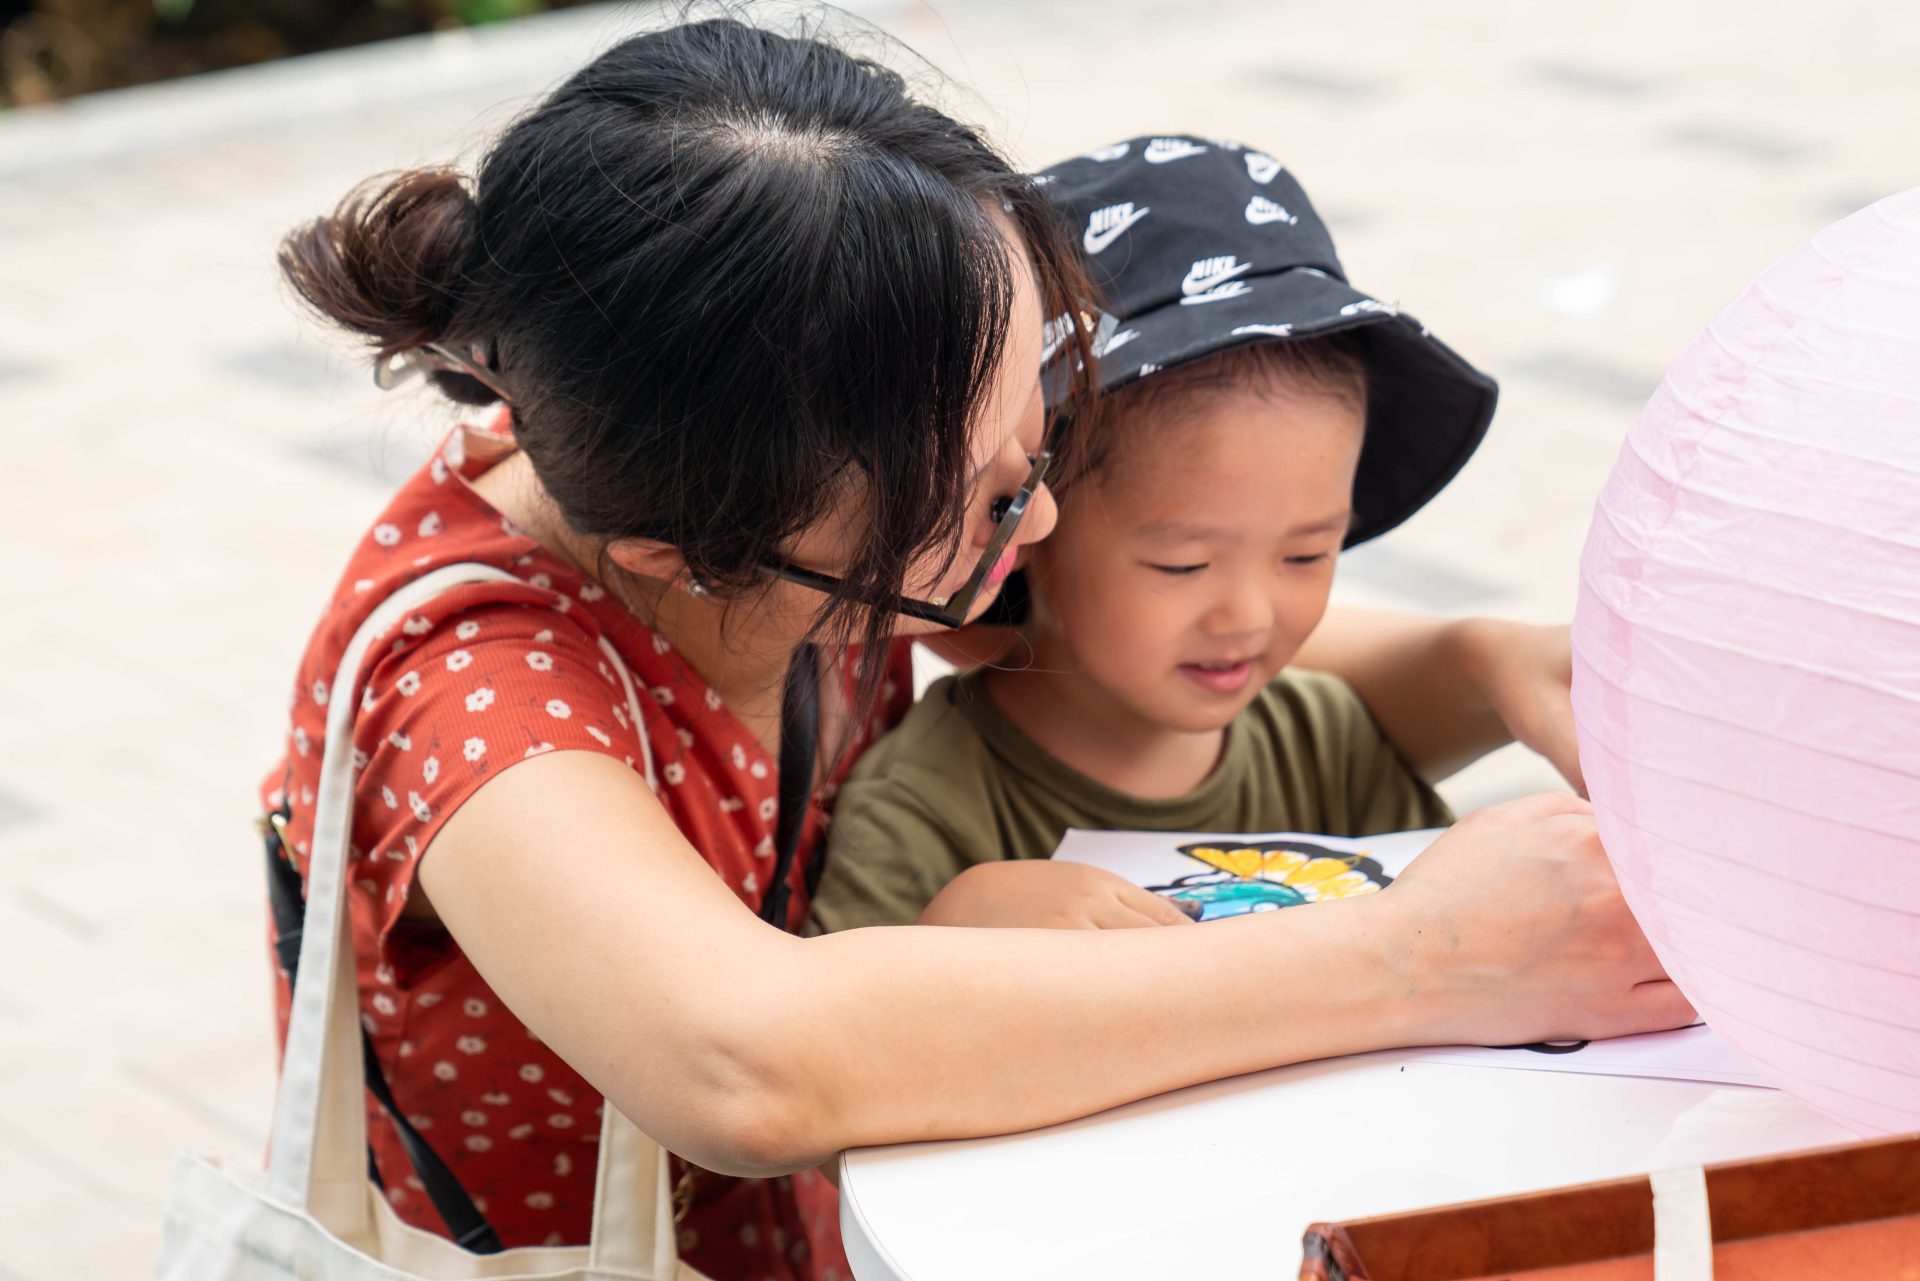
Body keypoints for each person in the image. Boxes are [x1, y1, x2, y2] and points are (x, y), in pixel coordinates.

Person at [260, 21, 1692, 1281]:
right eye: (997, 500)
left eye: (1038, 436)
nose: (1047, 516)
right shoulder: (471, 688)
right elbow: (748, 1058)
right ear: (690, 552)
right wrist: (1421, 955)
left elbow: (1134, 647)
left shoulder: (773, 473)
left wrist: (1489, 663)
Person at [809, 136, 1486, 932]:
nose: (1249, 615)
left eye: (1307, 553)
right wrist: (953, 934)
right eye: (1183, 563)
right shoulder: (928, 805)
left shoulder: (1330, 743)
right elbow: (847, 1036)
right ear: (1033, 527)